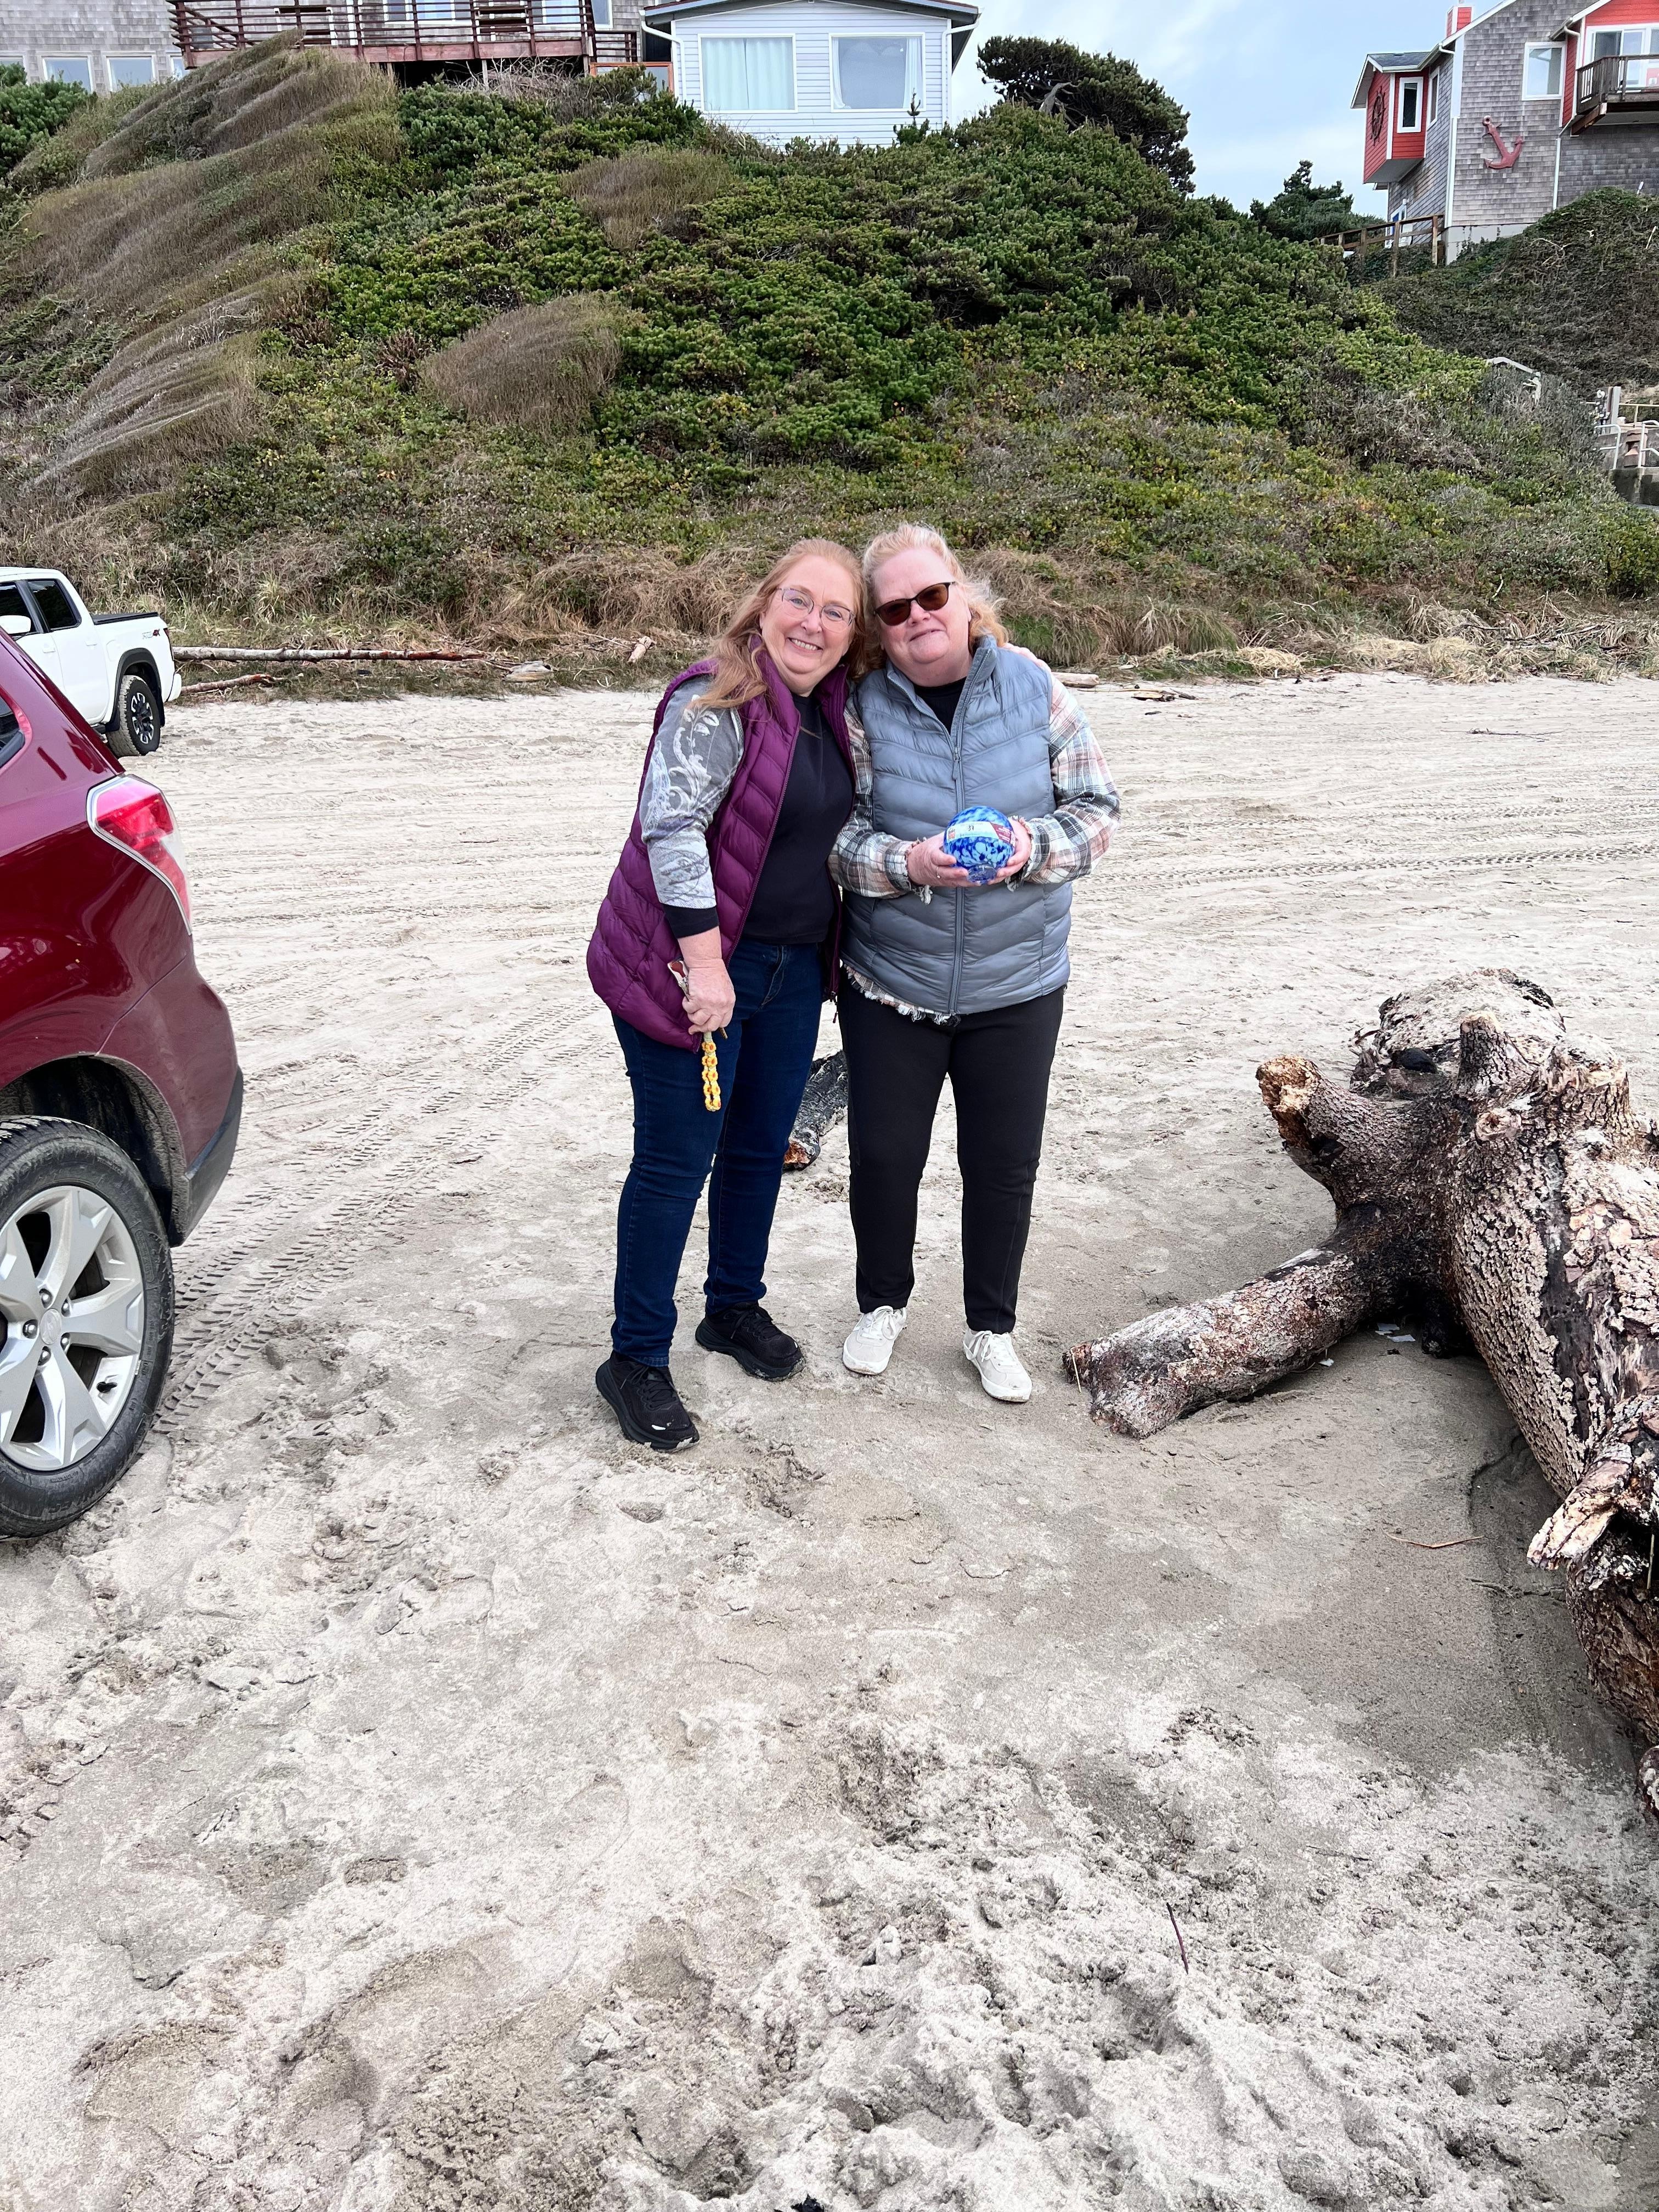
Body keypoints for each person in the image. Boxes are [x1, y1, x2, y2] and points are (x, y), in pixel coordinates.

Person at [588, 540, 866, 1451]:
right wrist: (706, 965)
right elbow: (672, 829)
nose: (812, 623)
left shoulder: (834, 709)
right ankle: (634, 1358)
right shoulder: (717, 695)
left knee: (756, 1151)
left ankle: (733, 1308)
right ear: (764, 603)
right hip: (691, 969)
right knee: (676, 1163)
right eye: (800, 599)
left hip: (790, 970)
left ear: (851, 635)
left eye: (836, 612)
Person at [830, 523, 1119, 1403]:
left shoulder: (1034, 687)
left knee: (1002, 1164)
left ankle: (990, 1329)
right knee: (884, 1156)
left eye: (932, 596)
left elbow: (1100, 810)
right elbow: (837, 839)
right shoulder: (862, 708)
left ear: (960, 594)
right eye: (896, 608)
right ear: (880, 628)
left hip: (1018, 981)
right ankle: (882, 1303)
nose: (919, 616)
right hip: (892, 981)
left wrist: (1031, 844)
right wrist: (908, 864)